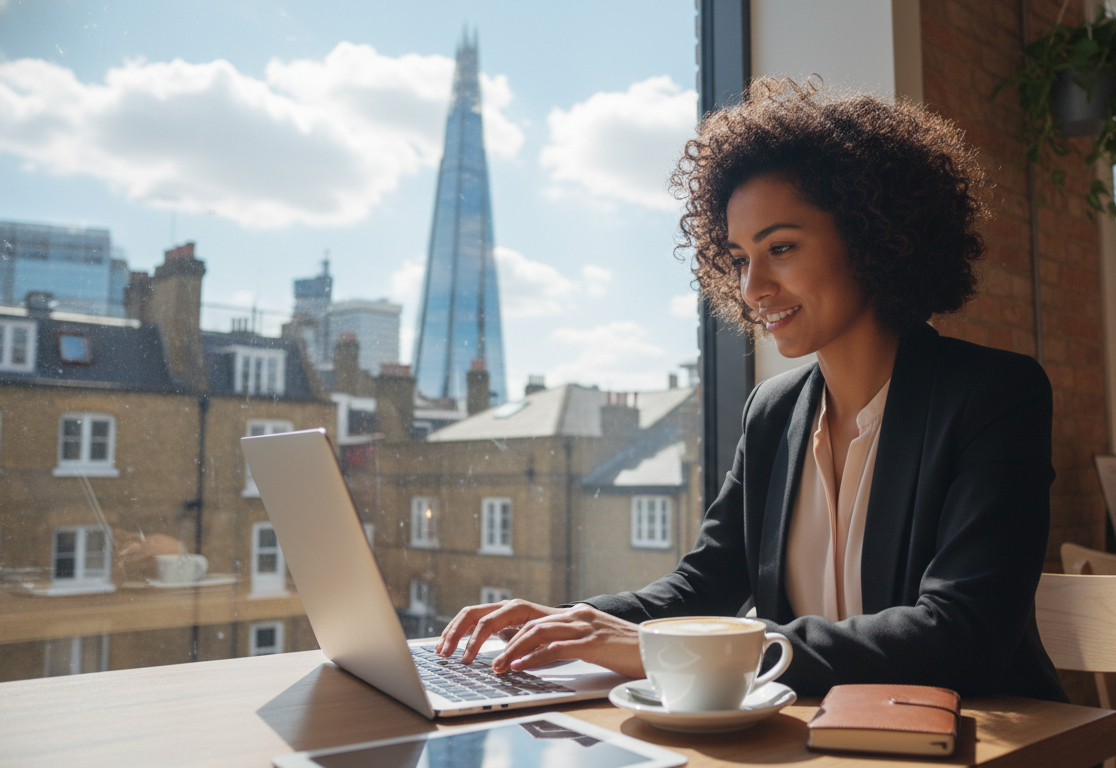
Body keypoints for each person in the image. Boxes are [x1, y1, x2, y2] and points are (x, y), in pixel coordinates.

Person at [436, 77, 1066, 702]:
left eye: (781, 248)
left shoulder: (994, 397)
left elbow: (960, 636)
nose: (751, 287)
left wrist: (685, 651)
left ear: (873, 235)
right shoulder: (774, 412)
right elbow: (701, 585)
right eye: (738, 259)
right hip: (823, 742)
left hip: (987, 742)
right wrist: (565, 623)